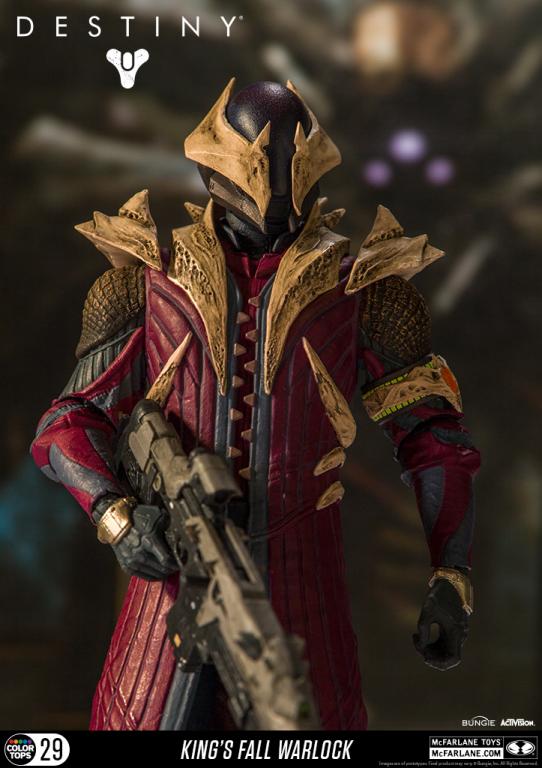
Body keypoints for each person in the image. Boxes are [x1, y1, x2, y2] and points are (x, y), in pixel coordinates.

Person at [31, 79, 480, 730]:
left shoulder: (367, 292)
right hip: (168, 591)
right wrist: (117, 517)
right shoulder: (145, 282)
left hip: (303, 592)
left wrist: (451, 574)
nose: (272, 197)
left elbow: (433, 438)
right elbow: (68, 424)